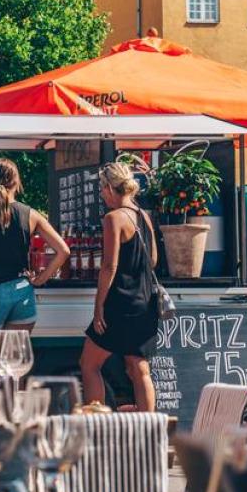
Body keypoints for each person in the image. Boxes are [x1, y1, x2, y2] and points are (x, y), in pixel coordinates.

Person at [0, 158, 69, 376]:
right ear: (17, 181)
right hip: (21, 292)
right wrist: (41, 279)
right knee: (13, 368)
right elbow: (63, 250)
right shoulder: (31, 215)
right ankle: (12, 408)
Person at [79, 162, 159, 412]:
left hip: (120, 303)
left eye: (102, 189)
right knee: (138, 368)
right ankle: (150, 427)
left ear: (111, 188)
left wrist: (98, 307)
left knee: (89, 365)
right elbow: (153, 259)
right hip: (144, 301)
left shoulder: (113, 218)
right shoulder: (143, 216)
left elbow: (108, 267)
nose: (102, 194)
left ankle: (97, 421)